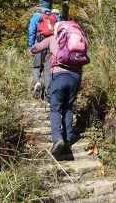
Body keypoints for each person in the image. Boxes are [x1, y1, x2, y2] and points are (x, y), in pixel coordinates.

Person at [30, 21, 89, 157]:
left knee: (55, 108)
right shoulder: (80, 38)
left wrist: (32, 50)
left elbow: (35, 49)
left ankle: (57, 139)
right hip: (75, 77)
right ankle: (67, 140)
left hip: (59, 76)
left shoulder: (53, 39)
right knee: (68, 108)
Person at [28, 0, 60, 99]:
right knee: (48, 68)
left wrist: (31, 46)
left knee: (37, 65)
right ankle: (47, 93)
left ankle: (37, 82)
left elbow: (32, 31)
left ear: (41, 2)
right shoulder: (55, 16)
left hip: (39, 42)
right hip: (52, 44)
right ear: (50, 4)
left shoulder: (37, 15)